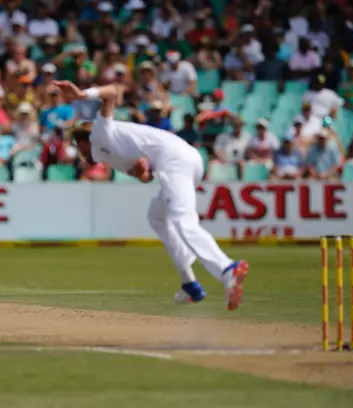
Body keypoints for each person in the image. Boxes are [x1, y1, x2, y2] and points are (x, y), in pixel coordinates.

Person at [54, 80, 248, 311]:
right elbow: (144, 177)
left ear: (84, 140)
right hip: (184, 162)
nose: (80, 153)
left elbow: (113, 92)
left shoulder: (100, 132)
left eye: (79, 145)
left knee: (183, 221)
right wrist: (143, 173)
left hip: (176, 159)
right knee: (156, 216)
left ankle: (227, 269)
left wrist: (82, 94)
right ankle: (189, 282)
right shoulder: (109, 156)